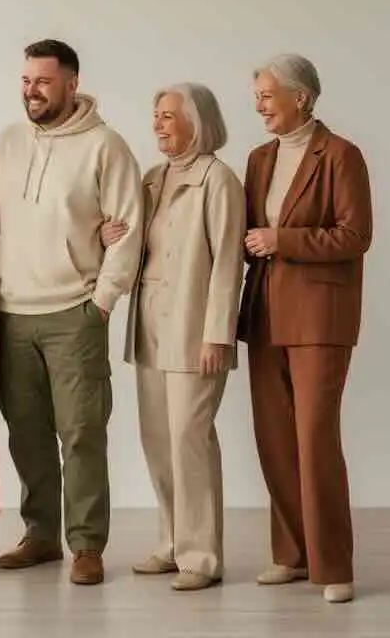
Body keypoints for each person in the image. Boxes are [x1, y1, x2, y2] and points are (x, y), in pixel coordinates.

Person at [0, 39, 143, 585]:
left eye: (44, 81)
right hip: (11, 314)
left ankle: (86, 545)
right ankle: (39, 536)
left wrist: (101, 302)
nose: (32, 91)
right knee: (24, 432)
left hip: (73, 313)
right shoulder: (6, 144)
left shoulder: (107, 146)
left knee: (81, 433)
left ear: (72, 84)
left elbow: (127, 228)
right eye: (26, 80)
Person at [238, 53, 372, 604]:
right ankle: (291, 555)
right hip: (266, 313)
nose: (259, 105)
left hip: (320, 317)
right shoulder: (258, 158)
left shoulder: (341, 155)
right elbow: (246, 234)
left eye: (268, 95)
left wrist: (282, 240)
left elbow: (354, 235)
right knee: (273, 441)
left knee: (315, 440)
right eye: (258, 97)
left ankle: (333, 565)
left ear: (302, 97)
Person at [104, 83, 245, 591]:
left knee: (191, 439)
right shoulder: (153, 178)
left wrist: (218, 335)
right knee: (159, 439)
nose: (158, 124)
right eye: (156, 115)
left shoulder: (219, 181)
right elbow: (134, 241)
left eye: (168, 116)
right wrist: (108, 236)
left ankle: (201, 556)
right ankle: (170, 542)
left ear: (197, 121)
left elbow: (229, 263)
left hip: (194, 331)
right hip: (149, 328)